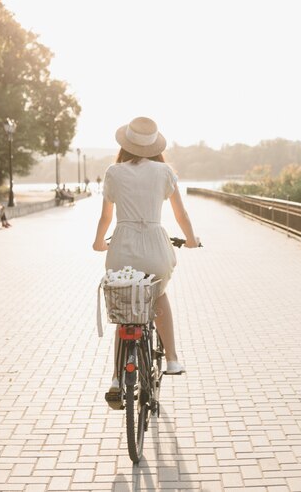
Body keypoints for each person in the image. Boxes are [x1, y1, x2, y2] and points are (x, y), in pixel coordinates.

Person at [92, 116, 200, 397]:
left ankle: (117, 379)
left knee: (125, 309)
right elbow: (180, 214)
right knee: (158, 293)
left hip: (122, 247)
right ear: (154, 147)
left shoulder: (113, 172)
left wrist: (97, 242)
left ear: (126, 144)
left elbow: (106, 217)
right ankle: (173, 358)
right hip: (154, 247)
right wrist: (191, 239)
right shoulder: (164, 172)